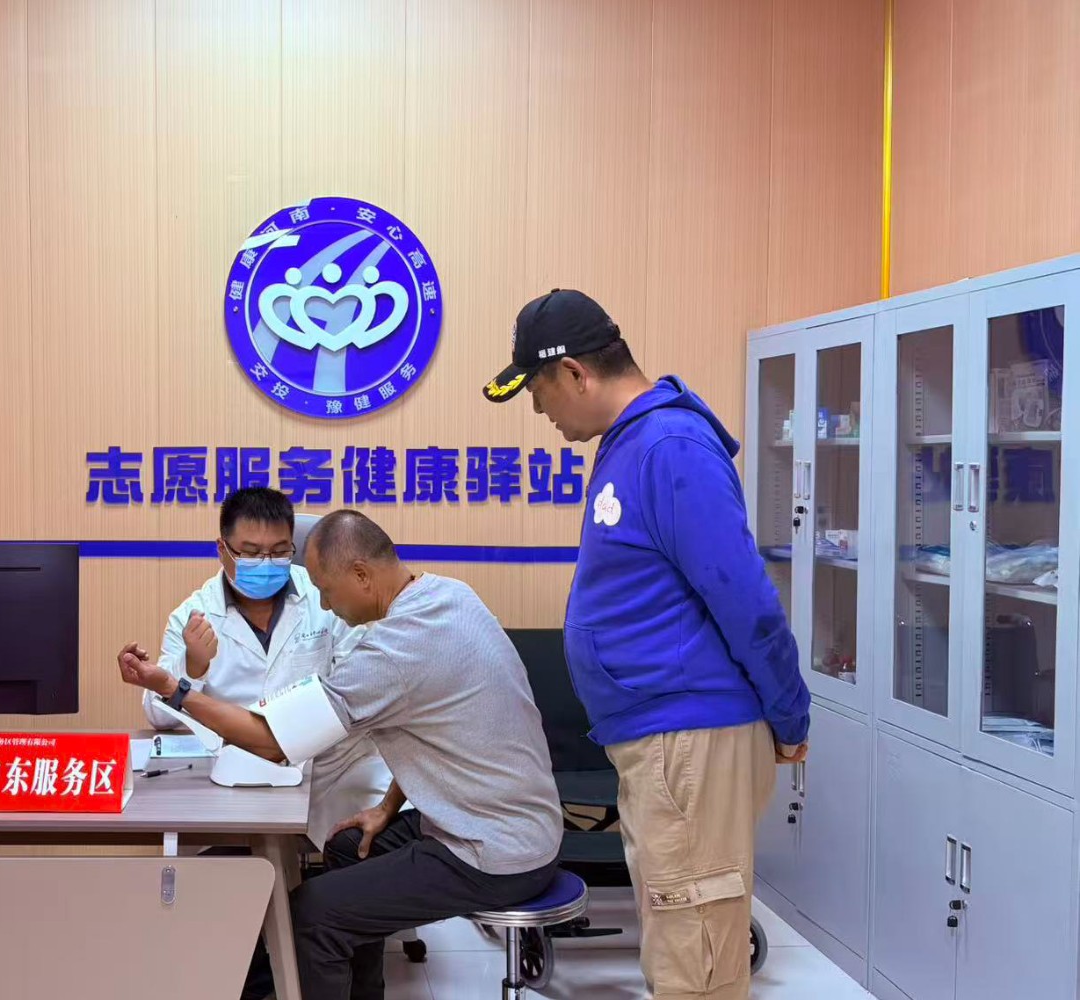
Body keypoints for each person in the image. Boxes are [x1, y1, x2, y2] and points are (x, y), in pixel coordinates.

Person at [482, 288, 811, 1000]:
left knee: (695, 959)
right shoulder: (632, 443)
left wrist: (790, 715)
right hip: (660, 738)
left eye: (538, 391)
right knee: (679, 939)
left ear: (574, 373)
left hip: (690, 734)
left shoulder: (669, 446)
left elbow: (745, 598)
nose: (539, 411)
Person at [118, 509, 564, 1000]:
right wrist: (387, 808)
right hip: (515, 822)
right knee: (349, 848)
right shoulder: (449, 595)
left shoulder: (392, 652)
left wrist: (175, 689)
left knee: (312, 915)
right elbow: (435, 729)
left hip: (490, 851)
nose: (326, 604)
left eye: (327, 590)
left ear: (361, 575)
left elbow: (272, 740)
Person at [118, 487, 395, 1000]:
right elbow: (157, 712)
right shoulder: (194, 614)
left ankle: (358, 983)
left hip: (332, 763)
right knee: (231, 868)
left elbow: (362, 674)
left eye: (278, 551)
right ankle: (252, 976)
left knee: (358, 857)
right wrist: (194, 668)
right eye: (251, 552)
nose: (266, 563)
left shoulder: (324, 596)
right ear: (223, 549)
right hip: (240, 770)